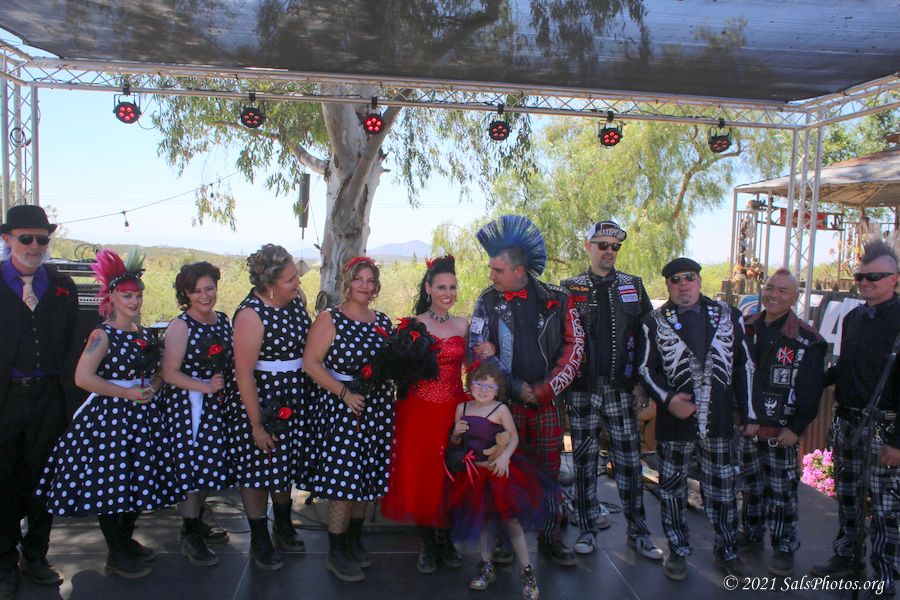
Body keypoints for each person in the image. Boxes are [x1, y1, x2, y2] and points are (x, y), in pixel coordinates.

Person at [37, 247, 179, 579]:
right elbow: (83, 377)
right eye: (127, 295)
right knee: (111, 484)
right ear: (112, 296)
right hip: (111, 420)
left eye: (138, 295)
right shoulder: (102, 335)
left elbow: (156, 372)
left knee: (138, 480)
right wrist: (127, 392)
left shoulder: (142, 334)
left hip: (143, 417)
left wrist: (153, 386)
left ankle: (125, 540)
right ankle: (116, 551)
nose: (134, 301)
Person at [468, 215, 584, 566]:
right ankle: (505, 539)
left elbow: (575, 348)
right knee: (504, 471)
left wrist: (546, 389)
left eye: (498, 270)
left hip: (547, 405)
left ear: (519, 270)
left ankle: (550, 536)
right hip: (504, 405)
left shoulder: (559, 299)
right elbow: (476, 348)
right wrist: (516, 387)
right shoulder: (487, 301)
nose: (491, 276)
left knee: (549, 470)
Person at [639, 257, 754, 581]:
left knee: (723, 489)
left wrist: (749, 412)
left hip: (718, 422)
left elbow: (744, 365)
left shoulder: (729, 316)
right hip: (674, 425)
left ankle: (728, 550)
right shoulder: (653, 321)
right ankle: (677, 550)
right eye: (675, 280)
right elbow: (645, 369)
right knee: (672, 488)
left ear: (700, 280)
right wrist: (667, 399)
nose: (683, 284)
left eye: (689, 277)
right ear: (667, 285)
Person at [560, 220, 662, 560]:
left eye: (614, 246)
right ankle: (587, 528)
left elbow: (649, 337)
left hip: (622, 387)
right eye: (602, 244)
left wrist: (643, 385)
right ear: (588, 246)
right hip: (582, 388)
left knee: (629, 463)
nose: (609, 251)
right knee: (584, 461)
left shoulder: (633, 285)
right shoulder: (569, 287)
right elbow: (561, 338)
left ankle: (639, 533)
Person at [812, 240, 900, 600]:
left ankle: (884, 579)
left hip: (886, 427)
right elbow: (845, 368)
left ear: (894, 278)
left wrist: (897, 441)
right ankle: (847, 559)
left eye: (873, 277)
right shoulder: (854, 318)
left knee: (886, 510)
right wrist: (810, 383)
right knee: (848, 498)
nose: (864, 282)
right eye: (860, 276)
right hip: (848, 423)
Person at [0, 205, 78, 597]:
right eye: (26, 238)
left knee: (44, 478)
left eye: (42, 239)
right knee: (4, 480)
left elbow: (71, 344)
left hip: (49, 396)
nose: (35, 246)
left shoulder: (63, 286)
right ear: (7, 239)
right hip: (6, 399)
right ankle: (3, 561)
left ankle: (36, 555)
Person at [303, 256, 394, 583]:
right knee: (344, 481)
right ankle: (336, 550)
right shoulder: (330, 318)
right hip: (343, 409)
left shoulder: (382, 320)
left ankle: (355, 540)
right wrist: (344, 393)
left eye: (371, 280)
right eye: (359, 279)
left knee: (366, 477)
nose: (365, 286)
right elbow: (311, 364)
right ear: (348, 282)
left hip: (376, 409)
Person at [381, 255, 468, 573]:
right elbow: (397, 370)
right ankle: (428, 544)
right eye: (441, 287)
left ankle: (446, 540)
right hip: (418, 411)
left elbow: (471, 366)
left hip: (454, 409)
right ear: (428, 288)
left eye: (453, 287)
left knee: (449, 476)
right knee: (423, 475)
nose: (448, 293)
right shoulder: (413, 325)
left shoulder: (463, 325)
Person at [738, 269, 825, 576]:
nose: (774, 295)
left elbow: (812, 390)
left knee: (781, 493)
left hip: (781, 431)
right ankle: (751, 533)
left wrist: (796, 427)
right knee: (751, 487)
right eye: (770, 287)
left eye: (783, 291)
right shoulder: (743, 327)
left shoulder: (807, 339)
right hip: (746, 427)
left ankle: (784, 547)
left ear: (795, 297)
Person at [230, 244, 310, 571]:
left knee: (282, 466)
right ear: (270, 283)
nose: (297, 282)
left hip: (294, 396)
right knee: (257, 470)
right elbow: (244, 374)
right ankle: (260, 537)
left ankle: (283, 524)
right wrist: (257, 425)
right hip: (262, 400)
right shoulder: (250, 314)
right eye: (290, 279)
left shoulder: (295, 301)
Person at [160, 261, 234, 567]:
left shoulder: (223, 319)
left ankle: (195, 520)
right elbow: (168, 372)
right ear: (186, 294)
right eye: (197, 291)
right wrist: (204, 386)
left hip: (216, 405)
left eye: (209, 288)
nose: (205, 296)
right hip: (189, 407)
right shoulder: (181, 326)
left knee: (207, 468)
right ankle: (191, 534)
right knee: (191, 471)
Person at [446, 362, 541, 600]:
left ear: (498, 389)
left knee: (512, 521)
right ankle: (485, 564)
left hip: (498, 472)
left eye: (490, 386)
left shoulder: (500, 409)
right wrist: (456, 433)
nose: (484, 390)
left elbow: (513, 437)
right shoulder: (462, 408)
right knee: (484, 520)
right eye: (479, 385)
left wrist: (505, 457)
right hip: (475, 474)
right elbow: (456, 443)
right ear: (470, 385)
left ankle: (527, 570)